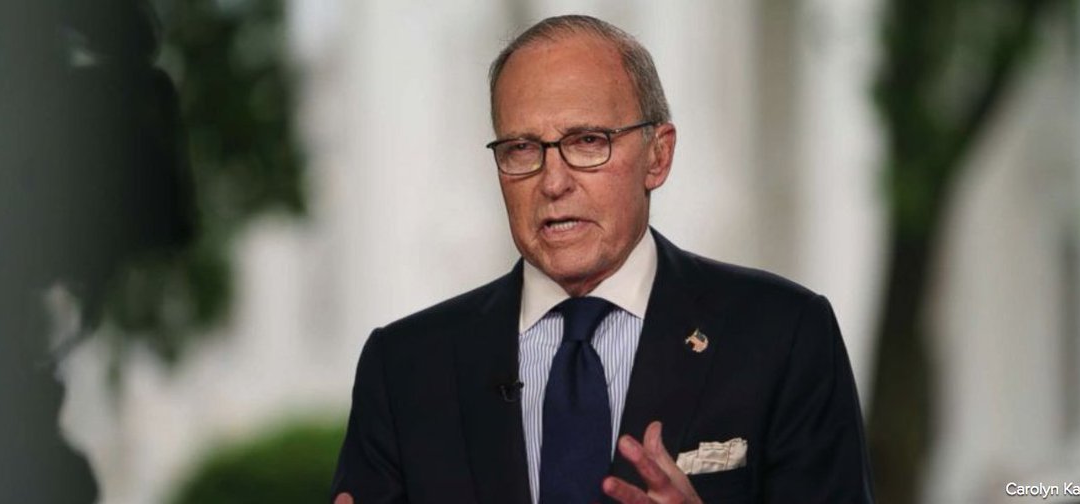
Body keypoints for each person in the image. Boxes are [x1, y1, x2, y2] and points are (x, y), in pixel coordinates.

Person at [331, 14, 873, 504]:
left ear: (658, 155)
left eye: (588, 141)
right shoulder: (404, 368)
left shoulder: (782, 335)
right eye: (522, 148)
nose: (554, 182)